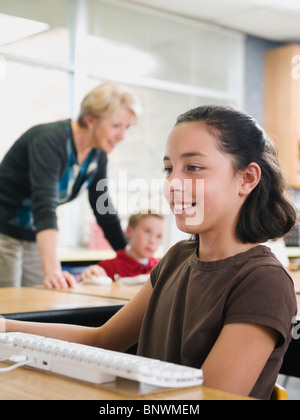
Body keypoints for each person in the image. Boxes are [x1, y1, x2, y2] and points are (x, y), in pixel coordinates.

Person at [4, 106, 298, 400]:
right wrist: (5, 326)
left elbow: (205, 400)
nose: (172, 184)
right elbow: (102, 339)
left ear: (247, 178)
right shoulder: (177, 258)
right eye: (169, 169)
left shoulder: (264, 282)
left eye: (193, 168)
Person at [0, 82, 141, 289]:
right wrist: (53, 270)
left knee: (42, 297)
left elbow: (102, 207)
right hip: (3, 229)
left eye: (126, 128)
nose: (123, 136)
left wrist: (127, 254)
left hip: (32, 235)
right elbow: (45, 205)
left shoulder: (97, 153)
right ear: (91, 120)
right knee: (8, 301)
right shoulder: (50, 140)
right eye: (116, 126)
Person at [81, 212, 163, 282]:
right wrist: (89, 275)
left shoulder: (162, 268)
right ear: (129, 231)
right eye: (147, 232)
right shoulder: (108, 267)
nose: (152, 241)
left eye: (158, 236)